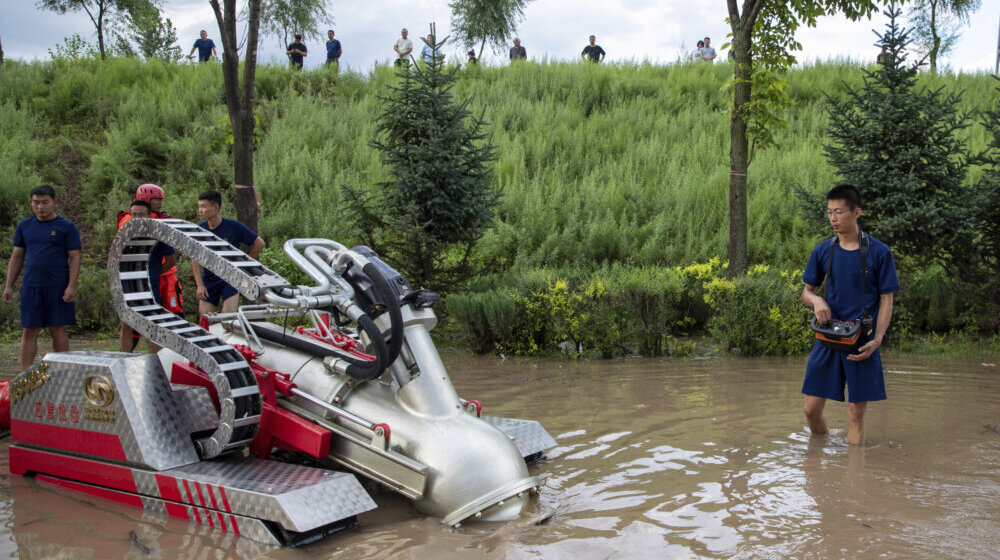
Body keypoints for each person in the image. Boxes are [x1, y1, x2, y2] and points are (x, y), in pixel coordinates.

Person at [800, 183, 899, 446]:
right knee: (810, 410)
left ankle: (855, 478)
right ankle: (822, 449)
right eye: (829, 212)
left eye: (839, 212)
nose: (833, 218)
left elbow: (887, 299)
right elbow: (805, 292)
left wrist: (877, 339)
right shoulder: (824, 250)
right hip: (828, 338)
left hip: (861, 341)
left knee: (855, 413)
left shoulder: (880, 252)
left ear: (857, 213)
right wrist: (816, 299)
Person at [2, 185, 81, 371]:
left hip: (57, 285)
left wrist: (71, 286)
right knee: (29, 330)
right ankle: (24, 375)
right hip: (31, 285)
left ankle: (61, 370)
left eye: (45, 202)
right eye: (36, 203)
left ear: (54, 202)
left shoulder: (66, 227)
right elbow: (17, 257)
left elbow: (75, 257)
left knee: (57, 328)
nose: (40, 207)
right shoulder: (24, 226)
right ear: (30, 203)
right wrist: (8, 286)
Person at [191, 190, 265, 317]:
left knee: (228, 316)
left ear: (215, 207)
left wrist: (245, 266)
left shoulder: (233, 226)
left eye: (204, 206)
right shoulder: (200, 229)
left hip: (231, 278)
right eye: (199, 207)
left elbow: (259, 243)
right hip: (209, 278)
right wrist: (199, 285)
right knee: (205, 317)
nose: (200, 210)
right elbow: (194, 258)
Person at [117, 200, 176, 354]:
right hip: (128, 285)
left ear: (150, 216)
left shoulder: (160, 233)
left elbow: (171, 260)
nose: (136, 217)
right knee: (126, 323)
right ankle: (124, 358)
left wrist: (155, 273)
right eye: (133, 214)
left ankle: (155, 361)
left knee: (152, 324)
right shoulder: (124, 233)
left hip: (150, 286)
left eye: (141, 214)